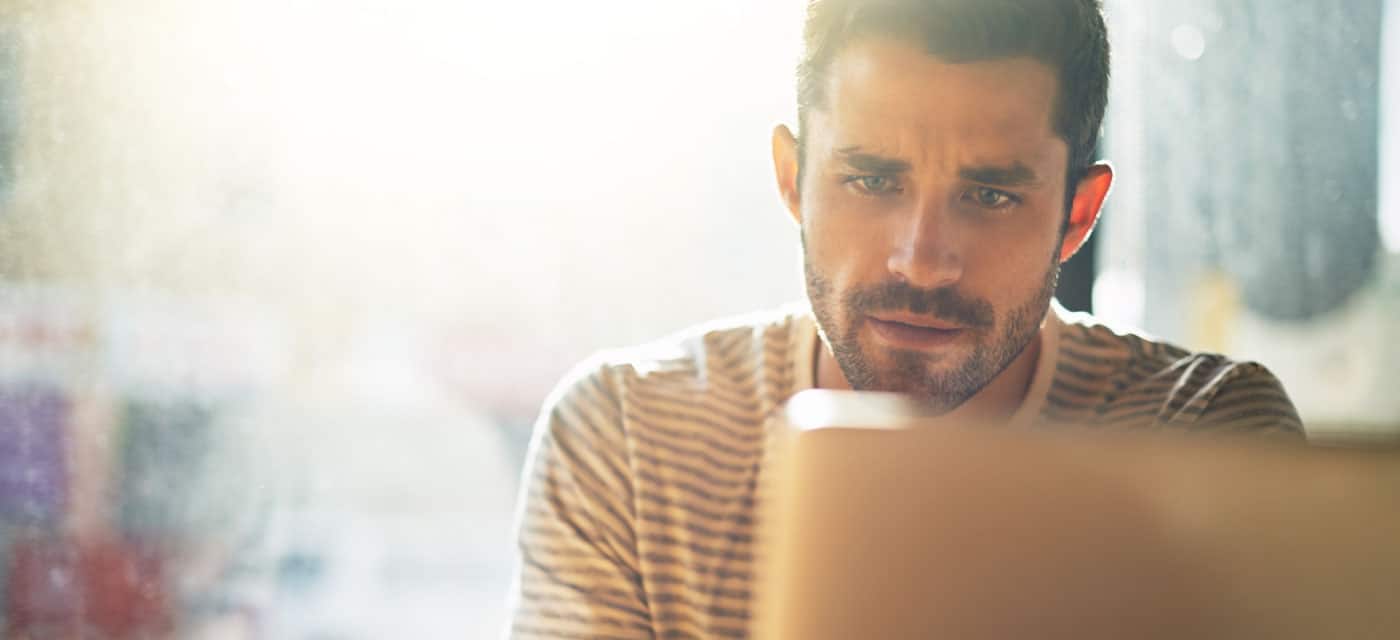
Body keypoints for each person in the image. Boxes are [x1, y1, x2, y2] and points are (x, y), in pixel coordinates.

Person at [505, 0, 1303, 637]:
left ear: (1078, 214)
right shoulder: (629, 442)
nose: (921, 261)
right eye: (872, 181)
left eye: (991, 195)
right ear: (793, 178)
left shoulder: (1204, 440)